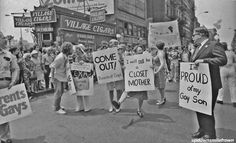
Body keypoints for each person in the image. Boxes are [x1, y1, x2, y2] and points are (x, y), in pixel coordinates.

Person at [191, 26, 227, 139]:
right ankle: (202, 129)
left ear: (201, 34)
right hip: (199, 84)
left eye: (194, 35)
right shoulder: (197, 47)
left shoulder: (213, 44)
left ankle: (210, 134)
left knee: (207, 109)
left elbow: (222, 59)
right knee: (199, 107)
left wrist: (204, 60)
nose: (192, 37)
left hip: (210, 84)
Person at [112, 46, 148, 118]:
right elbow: (125, 67)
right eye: (139, 50)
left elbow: (149, 66)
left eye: (141, 50)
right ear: (135, 52)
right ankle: (118, 103)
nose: (141, 52)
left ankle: (139, 110)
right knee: (127, 91)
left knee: (141, 97)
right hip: (134, 80)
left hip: (142, 80)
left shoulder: (146, 58)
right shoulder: (131, 60)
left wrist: (151, 67)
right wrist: (124, 67)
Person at [0, 32, 19, 143]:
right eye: (3, 38)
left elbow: (15, 69)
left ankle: (4, 138)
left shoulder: (9, 55)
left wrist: (13, 81)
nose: (5, 40)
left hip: (5, 86)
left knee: (4, 113)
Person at [50, 42, 73, 114]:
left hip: (61, 77)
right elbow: (52, 66)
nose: (73, 50)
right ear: (68, 49)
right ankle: (56, 108)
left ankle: (57, 105)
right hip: (57, 77)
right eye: (71, 49)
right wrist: (52, 78)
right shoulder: (60, 57)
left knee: (61, 91)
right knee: (58, 92)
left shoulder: (65, 56)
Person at [72, 44, 93, 112]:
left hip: (85, 75)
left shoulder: (85, 56)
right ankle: (79, 106)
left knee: (85, 91)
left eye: (77, 50)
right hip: (78, 76)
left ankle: (87, 107)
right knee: (78, 92)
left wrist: (84, 63)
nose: (76, 51)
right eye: (76, 50)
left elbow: (90, 63)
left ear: (80, 50)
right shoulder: (75, 57)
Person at [106, 39, 125, 113]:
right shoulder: (106, 52)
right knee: (110, 90)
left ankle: (118, 105)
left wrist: (121, 60)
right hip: (109, 73)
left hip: (118, 73)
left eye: (114, 43)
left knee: (118, 90)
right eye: (111, 43)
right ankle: (111, 105)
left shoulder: (120, 52)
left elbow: (123, 62)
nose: (112, 44)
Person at [217, 42, 236, 107]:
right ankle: (234, 100)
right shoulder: (231, 53)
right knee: (233, 86)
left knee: (221, 84)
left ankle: (220, 99)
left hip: (223, 68)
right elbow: (235, 60)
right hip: (231, 68)